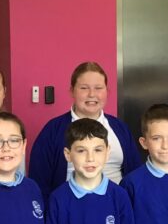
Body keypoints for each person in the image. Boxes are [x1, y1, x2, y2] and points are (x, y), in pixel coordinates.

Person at [29, 61, 141, 200]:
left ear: (107, 91)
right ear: (72, 91)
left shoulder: (120, 128)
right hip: (69, 207)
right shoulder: (53, 130)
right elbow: (39, 182)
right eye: (84, 88)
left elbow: (136, 176)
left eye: (98, 88)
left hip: (116, 206)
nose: (92, 94)